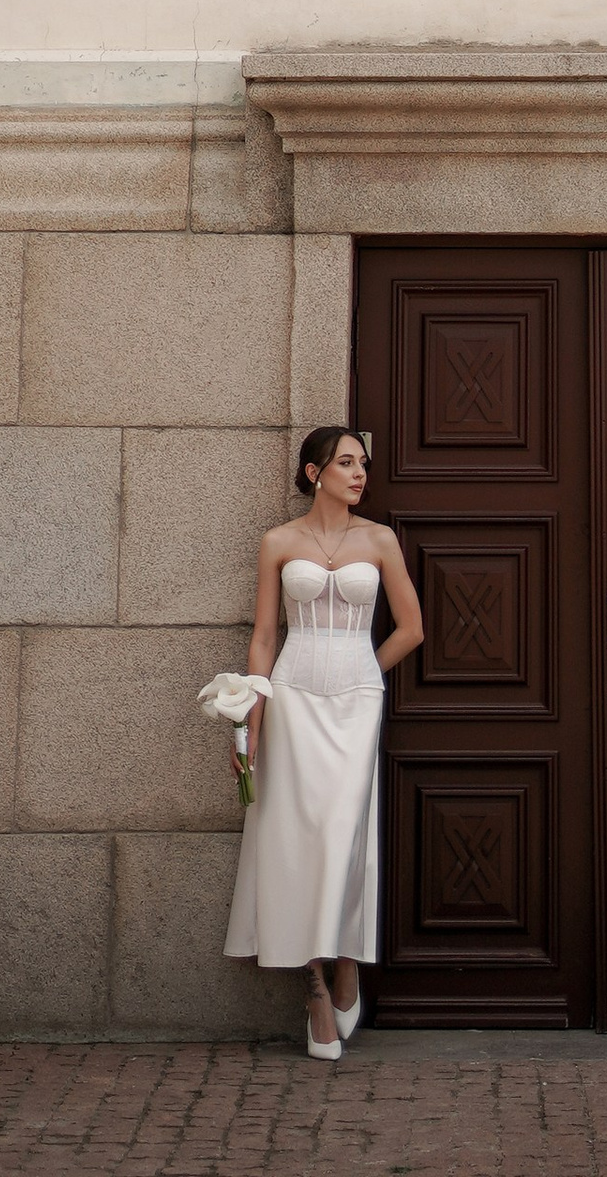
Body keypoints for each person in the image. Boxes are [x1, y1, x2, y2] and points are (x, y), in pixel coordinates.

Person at [224, 426, 423, 1059]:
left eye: (363, 463)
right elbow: (263, 636)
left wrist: (367, 670)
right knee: (293, 838)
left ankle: (347, 962)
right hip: (293, 699)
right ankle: (314, 986)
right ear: (315, 472)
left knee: (345, 833)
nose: (359, 474)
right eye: (345, 463)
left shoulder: (380, 539)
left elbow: (412, 628)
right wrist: (249, 723)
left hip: (357, 702)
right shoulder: (279, 542)